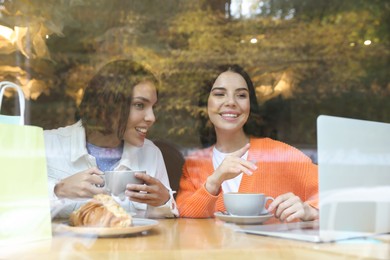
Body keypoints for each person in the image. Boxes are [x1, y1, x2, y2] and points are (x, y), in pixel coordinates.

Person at [176, 64, 318, 222]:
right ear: (205, 103)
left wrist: (312, 211)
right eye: (219, 94)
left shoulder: (279, 154)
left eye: (241, 95)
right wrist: (214, 181)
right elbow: (183, 213)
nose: (231, 102)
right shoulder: (194, 163)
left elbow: (336, 193)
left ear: (250, 105)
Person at [45, 59, 178, 219]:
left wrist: (163, 201)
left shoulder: (151, 153)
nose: (152, 117)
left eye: (153, 107)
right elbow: (11, 210)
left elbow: (166, 229)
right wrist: (57, 190)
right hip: (68, 245)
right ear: (106, 104)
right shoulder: (46, 145)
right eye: (139, 105)